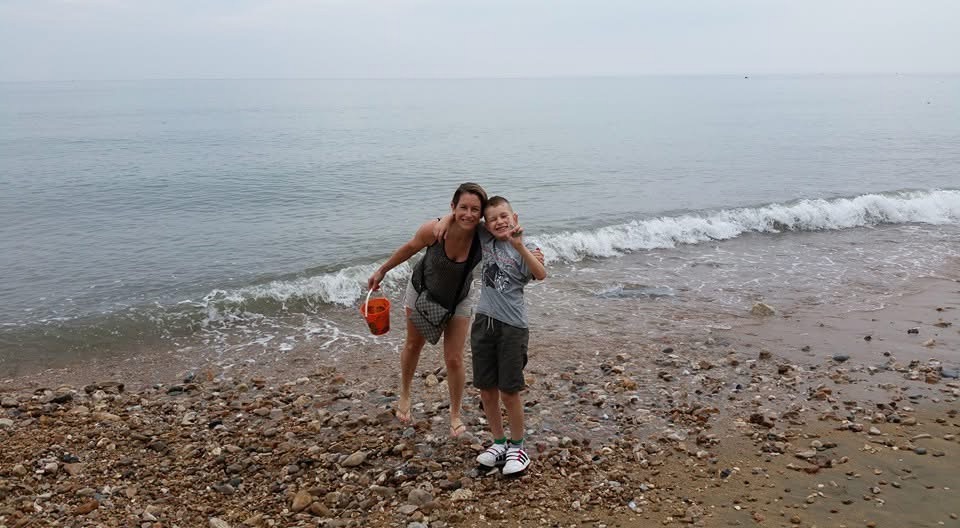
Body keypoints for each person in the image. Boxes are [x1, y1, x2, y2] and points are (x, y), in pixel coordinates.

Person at [366, 183, 487, 437]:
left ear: (482, 213)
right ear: (452, 207)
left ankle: (455, 414)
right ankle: (405, 394)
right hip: (422, 291)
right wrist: (382, 270)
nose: (468, 214)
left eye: (475, 209)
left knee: (454, 358)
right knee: (413, 345)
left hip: (459, 299)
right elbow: (409, 248)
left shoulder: (483, 236)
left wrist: (533, 252)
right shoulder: (434, 230)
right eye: (463, 207)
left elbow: (507, 235)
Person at [438, 196, 547, 474]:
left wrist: (519, 246)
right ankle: (499, 443)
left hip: (512, 327)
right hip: (483, 323)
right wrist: (449, 218)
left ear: (515, 218)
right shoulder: (486, 239)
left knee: (509, 390)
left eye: (504, 216)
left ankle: (518, 447)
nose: (499, 221)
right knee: (486, 388)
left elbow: (541, 273)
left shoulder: (525, 247)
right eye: (493, 218)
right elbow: (467, 218)